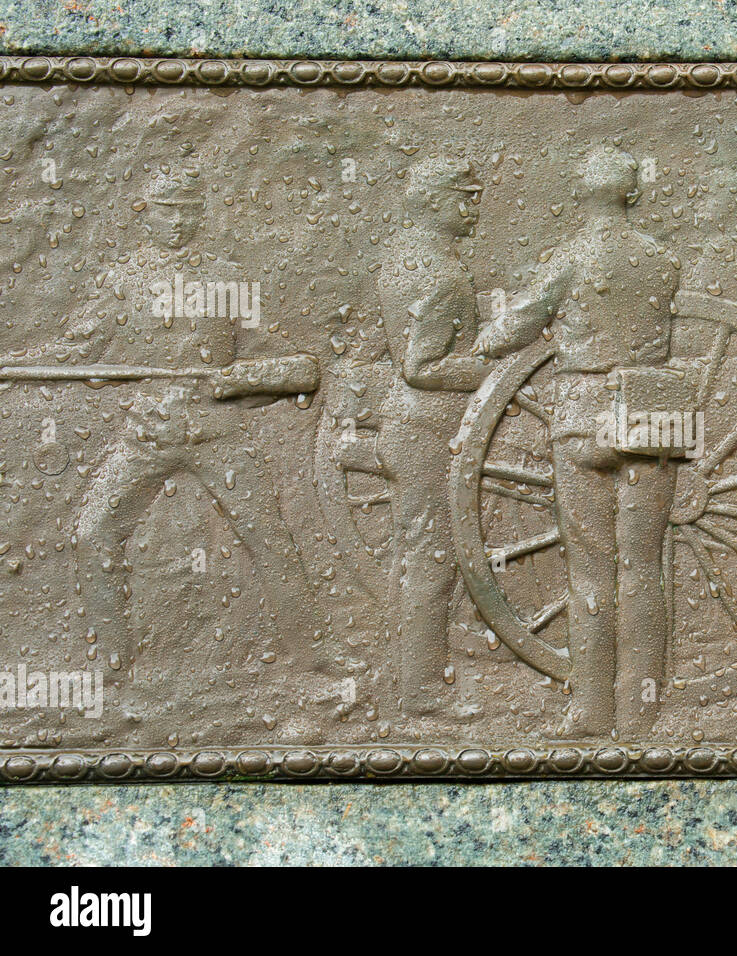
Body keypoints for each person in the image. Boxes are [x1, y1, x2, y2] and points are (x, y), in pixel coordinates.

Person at [24, 167, 327, 720]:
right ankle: (114, 669)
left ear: (201, 213)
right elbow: (76, 348)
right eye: (167, 209)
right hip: (147, 433)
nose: (179, 220)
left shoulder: (229, 281)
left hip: (219, 433)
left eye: (189, 208)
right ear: (147, 212)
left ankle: (312, 660)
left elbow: (297, 365)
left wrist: (239, 380)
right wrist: (18, 364)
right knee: (94, 533)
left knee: (270, 539)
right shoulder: (123, 281)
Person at [473, 146, 680, 737]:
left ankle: (590, 710)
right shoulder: (662, 259)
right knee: (643, 567)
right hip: (652, 415)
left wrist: (485, 332)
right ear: (633, 194)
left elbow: (511, 331)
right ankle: (642, 713)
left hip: (583, 415)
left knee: (590, 573)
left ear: (580, 194)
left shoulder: (568, 259)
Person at [373, 156, 490, 715]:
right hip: (427, 429)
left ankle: (393, 679)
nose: (474, 208)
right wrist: (492, 372)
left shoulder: (402, 257)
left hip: (408, 426)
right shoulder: (442, 273)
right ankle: (418, 694)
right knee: (433, 560)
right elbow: (421, 366)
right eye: (465, 197)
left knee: (412, 556)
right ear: (434, 202)